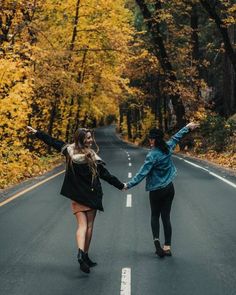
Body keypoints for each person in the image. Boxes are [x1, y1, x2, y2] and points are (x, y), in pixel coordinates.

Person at [27, 126, 124, 273]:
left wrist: (36, 133)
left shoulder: (69, 152)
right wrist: (121, 185)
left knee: (81, 226)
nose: (91, 140)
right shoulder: (92, 158)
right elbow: (106, 175)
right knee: (89, 226)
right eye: (89, 138)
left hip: (76, 196)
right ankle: (84, 255)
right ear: (83, 140)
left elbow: (53, 142)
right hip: (91, 195)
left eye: (91, 137)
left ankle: (80, 253)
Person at [124, 122, 199, 257]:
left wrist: (129, 185)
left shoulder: (152, 155)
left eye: (150, 138)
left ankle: (157, 242)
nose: (149, 141)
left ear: (154, 139)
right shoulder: (167, 147)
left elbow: (142, 173)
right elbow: (176, 137)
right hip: (169, 188)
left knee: (154, 215)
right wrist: (187, 127)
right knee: (166, 217)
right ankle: (167, 247)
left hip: (156, 190)